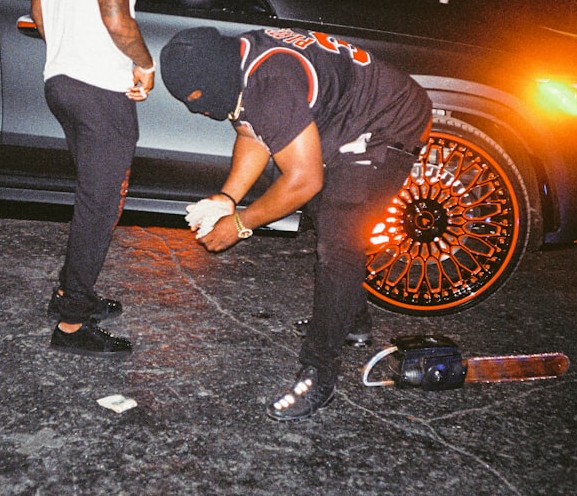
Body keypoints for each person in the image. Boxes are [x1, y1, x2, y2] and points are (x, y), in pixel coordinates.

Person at [160, 26, 432, 418]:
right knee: (324, 214)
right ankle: (351, 320)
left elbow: (303, 178)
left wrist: (239, 224)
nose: (201, 112)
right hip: (347, 117)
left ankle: (319, 372)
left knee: (338, 240)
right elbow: (254, 134)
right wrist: (227, 197)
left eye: (200, 103)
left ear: (216, 83)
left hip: (388, 119)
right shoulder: (239, 61)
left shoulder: (270, 82)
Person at [29, 0, 153, 356]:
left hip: (60, 84)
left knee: (92, 201)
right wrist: (142, 64)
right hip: (101, 92)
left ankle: (69, 293)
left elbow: (40, 16)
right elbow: (114, 11)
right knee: (100, 207)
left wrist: (71, 46)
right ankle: (72, 325)